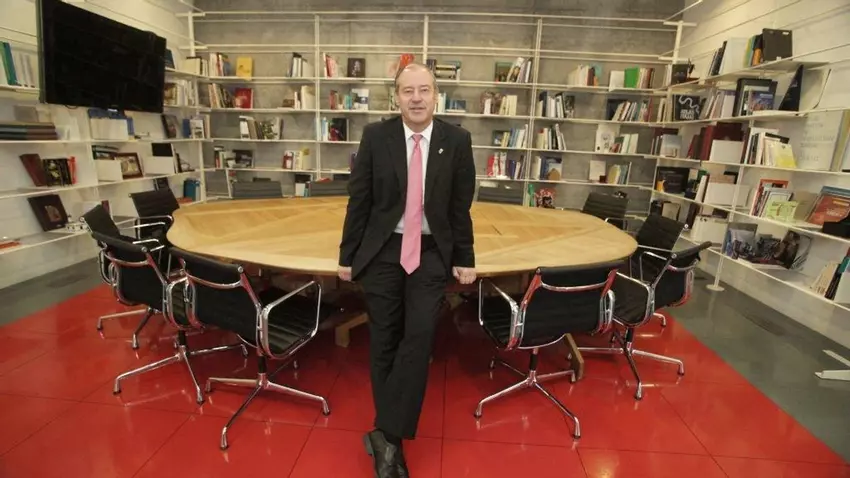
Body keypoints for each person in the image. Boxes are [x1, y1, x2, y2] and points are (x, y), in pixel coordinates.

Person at [337, 62, 477, 477]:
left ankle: (386, 434)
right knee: (384, 338)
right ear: (396, 97)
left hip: (431, 251)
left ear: (436, 95)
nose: (416, 98)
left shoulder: (457, 141)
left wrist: (465, 256)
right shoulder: (376, 136)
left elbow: (460, 206)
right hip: (384, 249)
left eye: (424, 90)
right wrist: (347, 256)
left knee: (419, 335)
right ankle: (390, 445)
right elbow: (359, 200)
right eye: (407, 91)